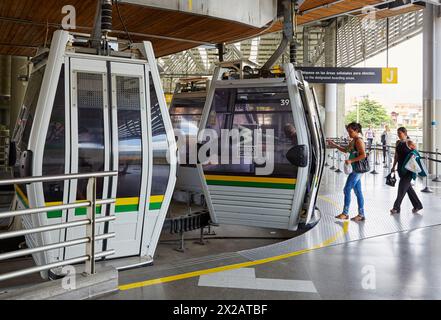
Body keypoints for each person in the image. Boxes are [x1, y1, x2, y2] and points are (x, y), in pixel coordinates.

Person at [328, 122, 367, 222]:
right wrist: (335, 145)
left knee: (347, 189)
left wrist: (351, 160)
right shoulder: (353, 140)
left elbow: (363, 155)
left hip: (357, 170)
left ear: (356, 131)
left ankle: (345, 213)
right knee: (358, 192)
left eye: (351, 131)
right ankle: (361, 214)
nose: (349, 133)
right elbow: (346, 150)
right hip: (355, 169)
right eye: (348, 131)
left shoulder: (358, 141)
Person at [390, 127, 423, 214]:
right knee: (407, 188)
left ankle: (396, 207)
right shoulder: (398, 143)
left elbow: (416, 154)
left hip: (408, 169)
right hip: (400, 169)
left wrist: (413, 156)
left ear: (405, 133)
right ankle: (418, 205)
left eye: (399, 133)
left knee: (401, 188)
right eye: (397, 133)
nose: (398, 135)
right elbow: (396, 156)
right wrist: (393, 166)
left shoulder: (409, 142)